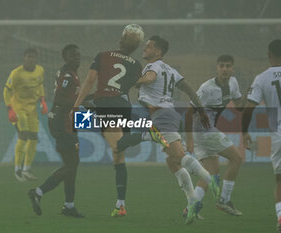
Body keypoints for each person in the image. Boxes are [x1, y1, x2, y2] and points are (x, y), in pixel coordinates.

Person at [118, 35, 219, 224]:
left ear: (158, 52)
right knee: (173, 162)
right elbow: (189, 89)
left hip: (163, 116)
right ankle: (192, 203)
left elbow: (150, 78)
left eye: (148, 47)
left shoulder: (152, 66)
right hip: (165, 115)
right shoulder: (171, 70)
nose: (145, 49)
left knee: (178, 156)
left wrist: (135, 82)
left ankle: (210, 178)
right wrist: (201, 108)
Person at [72, 25, 144, 217]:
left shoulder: (103, 55)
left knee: (117, 146)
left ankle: (145, 134)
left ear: (121, 40)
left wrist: (76, 105)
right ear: (136, 47)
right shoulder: (137, 64)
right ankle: (121, 204)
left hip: (106, 104)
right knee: (118, 155)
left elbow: (89, 80)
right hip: (123, 105)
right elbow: (128, 87)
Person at [28, 44, 84, 218]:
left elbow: (72, 98)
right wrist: (80, 103)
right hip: (63, 122)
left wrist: (87, 99)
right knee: (72, 165)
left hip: (67, 121)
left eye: (78, 54)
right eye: (73, 55)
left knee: (72, 164)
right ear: (65, 58)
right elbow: (60, 98)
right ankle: (38, 192)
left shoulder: (72, 74)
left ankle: (69, 206)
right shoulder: (68, 75)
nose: (77, 57)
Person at [185, 55, 244, 217]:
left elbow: (239, 106)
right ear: (217, 68)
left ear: (232, 68)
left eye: (228, 66)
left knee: (210, 174)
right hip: (204, 131)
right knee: (236, 158)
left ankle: (190, 208)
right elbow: (189, 112)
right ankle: (224, 200)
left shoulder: (233, 83)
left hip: (204, 133)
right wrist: (189, 139)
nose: (225, 69)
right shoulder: (206, 88)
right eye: (222, 66)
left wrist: (248, 96)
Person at [242, 39, 281, 232]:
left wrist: (244, 132)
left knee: (280, 180)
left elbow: (248, 109)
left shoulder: (262, 78)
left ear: (268, 54)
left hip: (278, 135)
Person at [3, 48, 48, 182]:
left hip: (32, 108)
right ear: (24, 58)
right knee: (23, 136)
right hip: (18, 108)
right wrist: (9, 109)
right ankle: (17, 169)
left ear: (36, 58)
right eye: (28, 57)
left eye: (33, 57)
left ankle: (26, 169)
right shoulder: (16, 73)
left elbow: (40, 86)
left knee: (33, 138)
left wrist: (43, 101)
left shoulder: (40, 70)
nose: (30, 59)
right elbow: (6, 91)